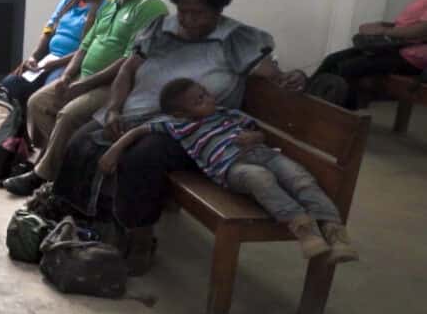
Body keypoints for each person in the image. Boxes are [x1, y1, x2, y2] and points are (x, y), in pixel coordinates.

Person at [58, 0, 306, 274]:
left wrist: (294, 77)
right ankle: (92, 224)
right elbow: (127, 70)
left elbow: (275, 76)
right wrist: (114, 109)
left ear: (218, 8)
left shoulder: (237, 39)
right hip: (136, 113)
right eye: (183, 11)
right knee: (81, 140)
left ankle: (140, 237)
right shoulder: (161, 28)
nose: (188, 20)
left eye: (198, 13)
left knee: (142, 156)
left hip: (195, 129)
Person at [100, 78, 358, 263]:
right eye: (198, 100)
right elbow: (140, 130)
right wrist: (115, 151)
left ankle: (335, 232)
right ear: (181, 113)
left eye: (205, 93)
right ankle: (304, 230)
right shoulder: (176, 125)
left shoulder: (227, 113)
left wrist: (254, 137)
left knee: (301, 178)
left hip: (264, 154)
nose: (208, 98)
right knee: (261, 179)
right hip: (233, 168)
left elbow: (258, 131)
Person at [3, 0, 168, 196]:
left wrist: (83, 84)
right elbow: (87, 44)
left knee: (68, 115)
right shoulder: (114, 3)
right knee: (38, 103)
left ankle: (42, 175)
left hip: (116, 84)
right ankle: (62, 167)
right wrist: (69, 74)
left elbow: (128, 61)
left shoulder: (150, 6)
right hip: (83, 75)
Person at [310, 0, 427, 108]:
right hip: (396, 48)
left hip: (411, 58)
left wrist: (383, 31)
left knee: (347, 69)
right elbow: (408, 24)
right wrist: (382, 26)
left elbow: (421, 30)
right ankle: (305, 100)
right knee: (332, 60)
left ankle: (344, 118)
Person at [1, 0, 112, 105]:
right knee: (12, 82)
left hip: (73, 66)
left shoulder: (107, 6)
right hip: (49, 59)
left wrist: (55, 64)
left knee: (48, 93)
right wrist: (34, 57)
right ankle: (15, 126)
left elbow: (90, 48)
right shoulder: (68, 2)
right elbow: (48, 31)